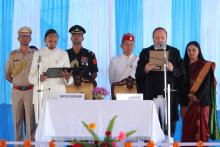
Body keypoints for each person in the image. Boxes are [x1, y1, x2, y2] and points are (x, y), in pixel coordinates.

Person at [135, 27, 182, 136]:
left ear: (166, 38)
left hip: (168, 94)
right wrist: (145, 69)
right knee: (151, 124)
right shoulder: (145, 52)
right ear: (152, 38)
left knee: (168, 126)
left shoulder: (174, 52)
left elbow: (181, 72)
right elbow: (138, 73)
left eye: (162, 37)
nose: (160, 40)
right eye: (157, 38)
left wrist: (173, 68)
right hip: (151, 93)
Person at [28, 29, 73, 121]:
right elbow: (30, 78)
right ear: (45, 40)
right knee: (41, 123)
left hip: (58, 93)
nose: (52, 44)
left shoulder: (63, 54)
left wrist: (67, 77)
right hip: (41, 94)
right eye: (50, 41)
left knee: (58, 122)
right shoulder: (37, 54)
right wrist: (39, 78)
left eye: (55, 42)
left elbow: (70, 79)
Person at [180, 41, 220, 143]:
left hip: (202, 103)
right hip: (187, 103)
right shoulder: (183, 65)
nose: (191, 52)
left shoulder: (205, 66)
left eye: (194, 50)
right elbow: (181, 84)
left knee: (201, 132)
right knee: (187, 131)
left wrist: (196, 96)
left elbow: (206, 84)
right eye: (188, 50)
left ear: (199, 51)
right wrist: (187, 96)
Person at [6, 26, 36, 141]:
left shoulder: (35, 54)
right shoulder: (12, 55)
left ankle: (30, 144)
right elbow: (7, 74)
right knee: (17, 121)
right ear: (18, 38)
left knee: (30, 122)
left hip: (30, 91)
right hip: (17, 91)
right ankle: (18, 144)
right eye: (22, 36)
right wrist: (17, 83)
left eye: (27, 36)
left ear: (30, 39)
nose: (25, 38)